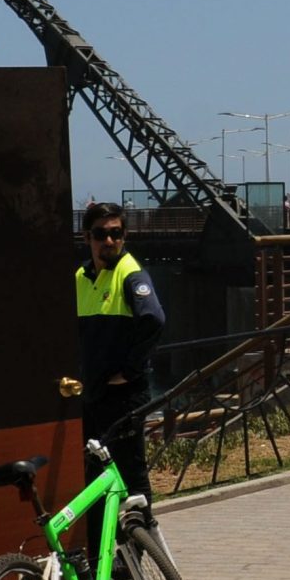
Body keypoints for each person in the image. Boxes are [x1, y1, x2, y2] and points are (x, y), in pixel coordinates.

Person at [75, 201, 165, 516]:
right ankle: (103, 558)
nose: (109, 241)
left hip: (124, 397)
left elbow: (154, 319)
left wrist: (131, 369)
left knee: (131, 477)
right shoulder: (81, 278)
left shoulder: (130, 273)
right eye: (101, 234)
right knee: (95, 480)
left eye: (116, 233)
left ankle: (137, 558)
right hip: (93, 395)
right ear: (87, 237)